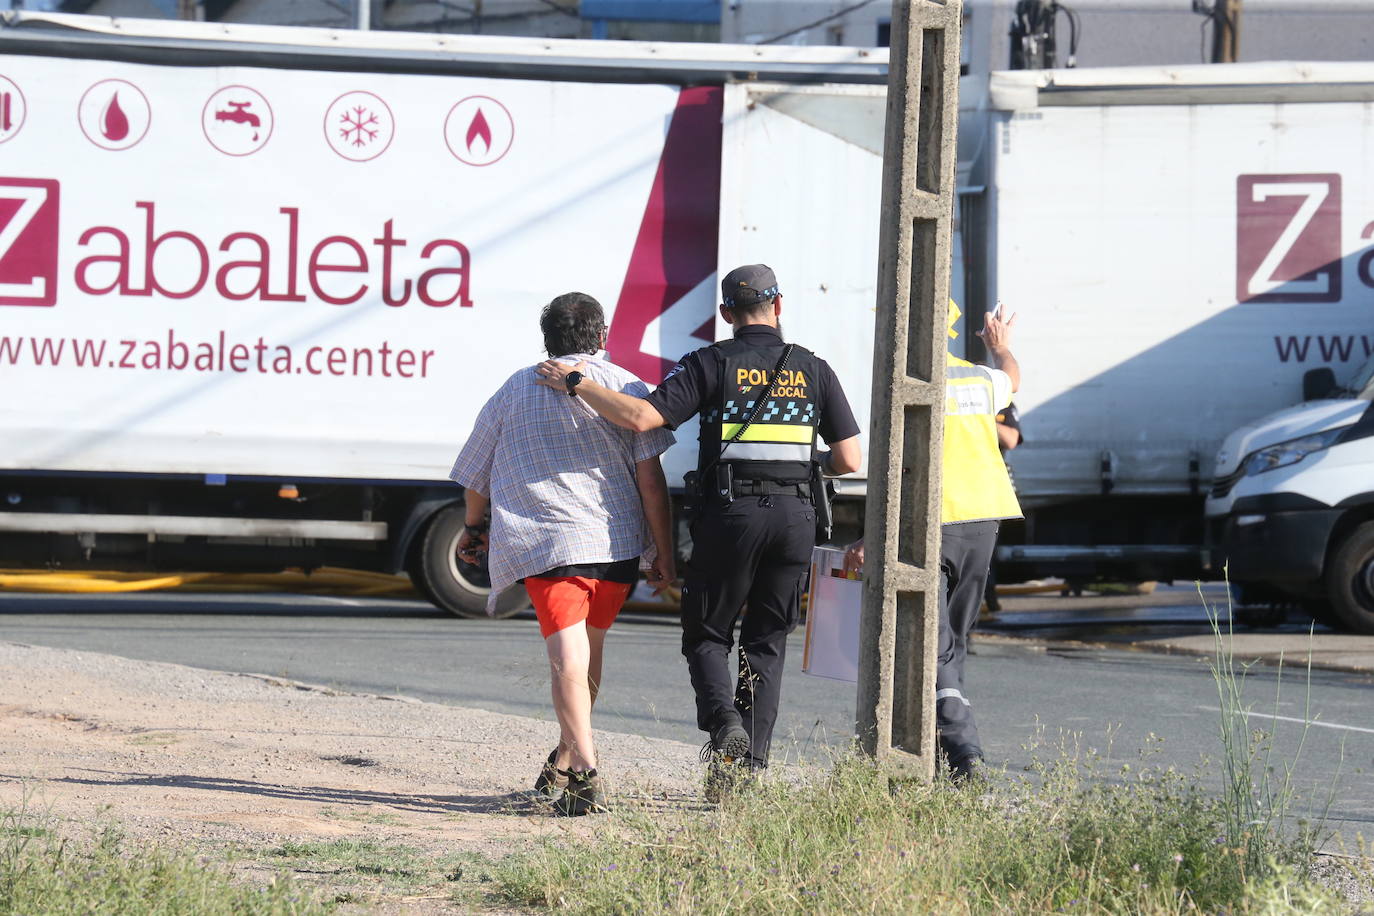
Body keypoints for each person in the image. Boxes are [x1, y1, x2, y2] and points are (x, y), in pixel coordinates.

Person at [534, 264, 862, 787]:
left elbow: (640, 418)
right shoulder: (813, 369)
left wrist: (577, 382)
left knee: (709, 635)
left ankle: (723, 724)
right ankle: (745, 771)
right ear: (778, 307)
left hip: (731, 517)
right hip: (798, 517)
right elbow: (848, 458)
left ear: (728, 315)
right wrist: (795, 463)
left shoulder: (710, 363)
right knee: (766, 643)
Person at [448, 291, 676, 816]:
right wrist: (663, 551)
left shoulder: (513, 389)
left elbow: (475, 471)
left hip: (549, 542)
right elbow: (651, 480)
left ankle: (586, 774)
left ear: (547, 339)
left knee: (568, 662)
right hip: (615, 545)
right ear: (601, 338)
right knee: (588, 656)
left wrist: (474, 526)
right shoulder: (627, 388)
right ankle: (566, 761)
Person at [844, 300, 1021, 781]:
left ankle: (963, 752)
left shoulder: (903, 384)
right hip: (983, 517)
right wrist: (1001, 346)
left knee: (935, 643)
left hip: (931, 520)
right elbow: (1012, 377)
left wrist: (869, 532)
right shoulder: (977, 379)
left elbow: (893, 466)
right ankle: (947, 752)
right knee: (953, 641)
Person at [983, 401, 1023, 612]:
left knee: (988, 553)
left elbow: (1011, 439)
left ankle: (989, 599)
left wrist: (979, 416)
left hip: (992, 492)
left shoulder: (1003, 402)